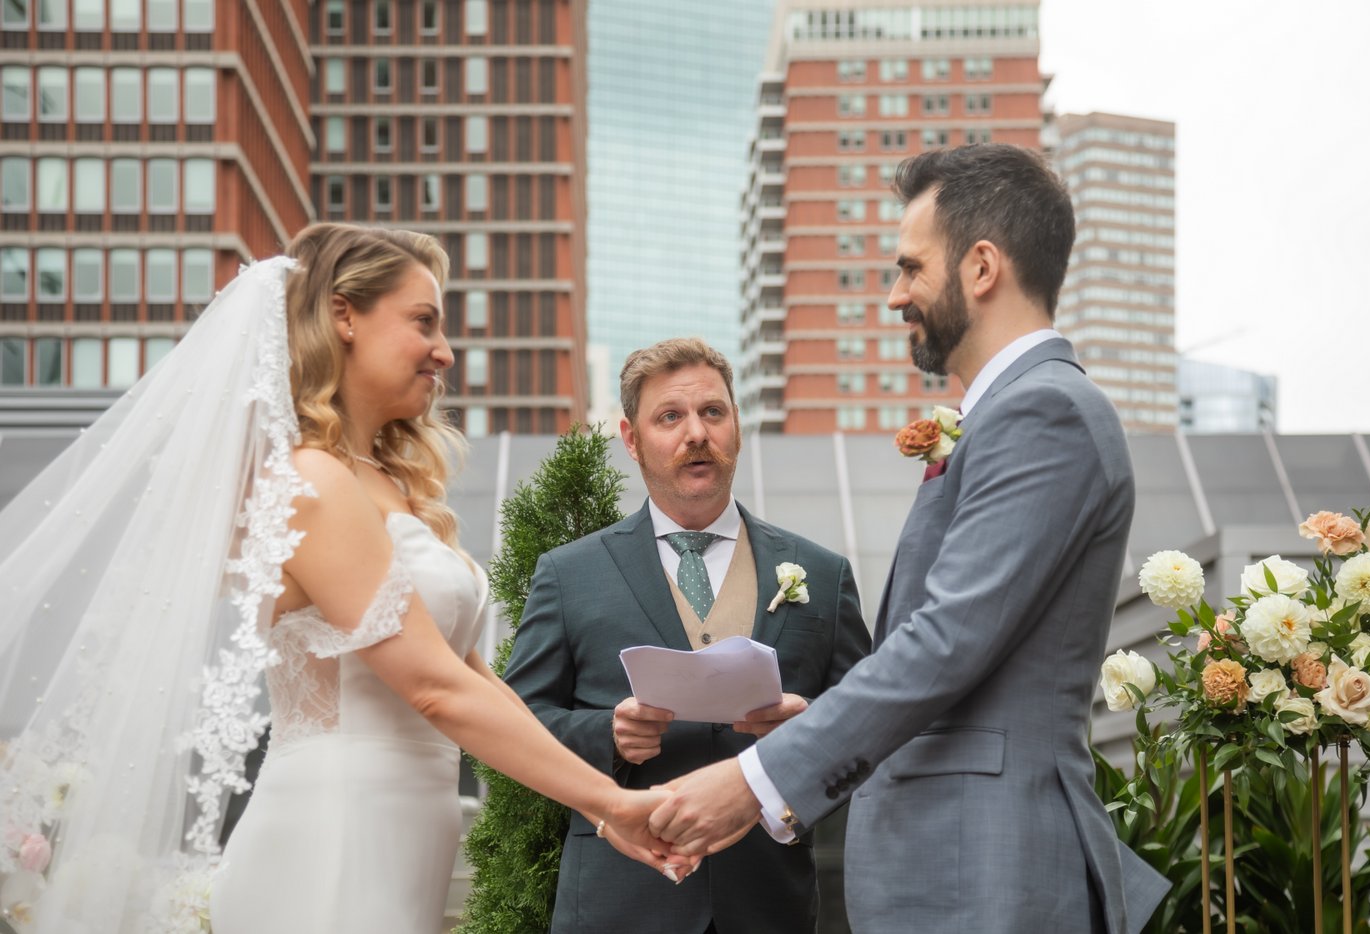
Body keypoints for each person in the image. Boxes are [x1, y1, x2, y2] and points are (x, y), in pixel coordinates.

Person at [0, 224, 678, 934]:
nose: (444, 351)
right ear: (345, 315)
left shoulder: (388, 485)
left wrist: (601, 796)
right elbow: (432, 688)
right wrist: (610, 805)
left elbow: (474, 679)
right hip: (334, 834)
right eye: (424, 321)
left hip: (402, 833)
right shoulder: (309, 481)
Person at [648, 145, 1171, 933]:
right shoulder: (1007, 416)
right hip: (957, 866)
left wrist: (754, 780)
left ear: (982, 266)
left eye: (911, 268)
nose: (895, 296)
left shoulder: (1046, 413)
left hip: (990, 870)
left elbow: (946, 640)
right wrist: (812, 728)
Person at [504, 338, 870, 934]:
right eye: (670, 417)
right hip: (617, 905)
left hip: (769, 902)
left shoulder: (822, 574)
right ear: (631, 438)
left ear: (737, 429)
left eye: (713, 412)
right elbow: (513, 724)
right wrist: (608, 734)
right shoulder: (569, 574)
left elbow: (873, 722)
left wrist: (810, 729)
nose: (696, 433)